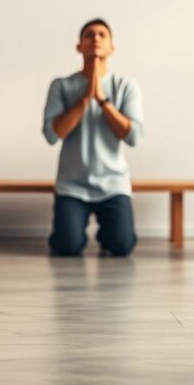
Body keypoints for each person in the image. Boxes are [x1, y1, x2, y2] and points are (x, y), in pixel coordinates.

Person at [42, 18, 144, 257]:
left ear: (111, 47)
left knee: (122, 246)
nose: (95, 38)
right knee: (66, 247)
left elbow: (134, 137)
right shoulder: (61, 86)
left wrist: (103, 101)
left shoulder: (126, 86)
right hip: (72, 186)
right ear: (79, 46)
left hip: (113, 184)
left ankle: (110, 231)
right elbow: (51, 134)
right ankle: (73, 228)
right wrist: (86, 100)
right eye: (89, 35)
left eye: (101, 35)